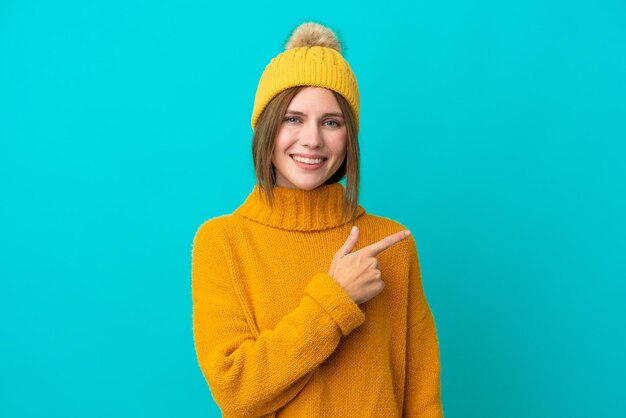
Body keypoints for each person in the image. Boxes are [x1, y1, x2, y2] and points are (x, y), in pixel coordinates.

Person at [191, 21, 443, 417]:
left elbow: (422, 399)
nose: (312, 139)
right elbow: (237, 391)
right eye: (293, 118)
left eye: (331, 122)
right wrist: (335, 300)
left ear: (348, 138)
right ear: (266, 129)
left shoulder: (391, 243)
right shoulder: (222, 241)